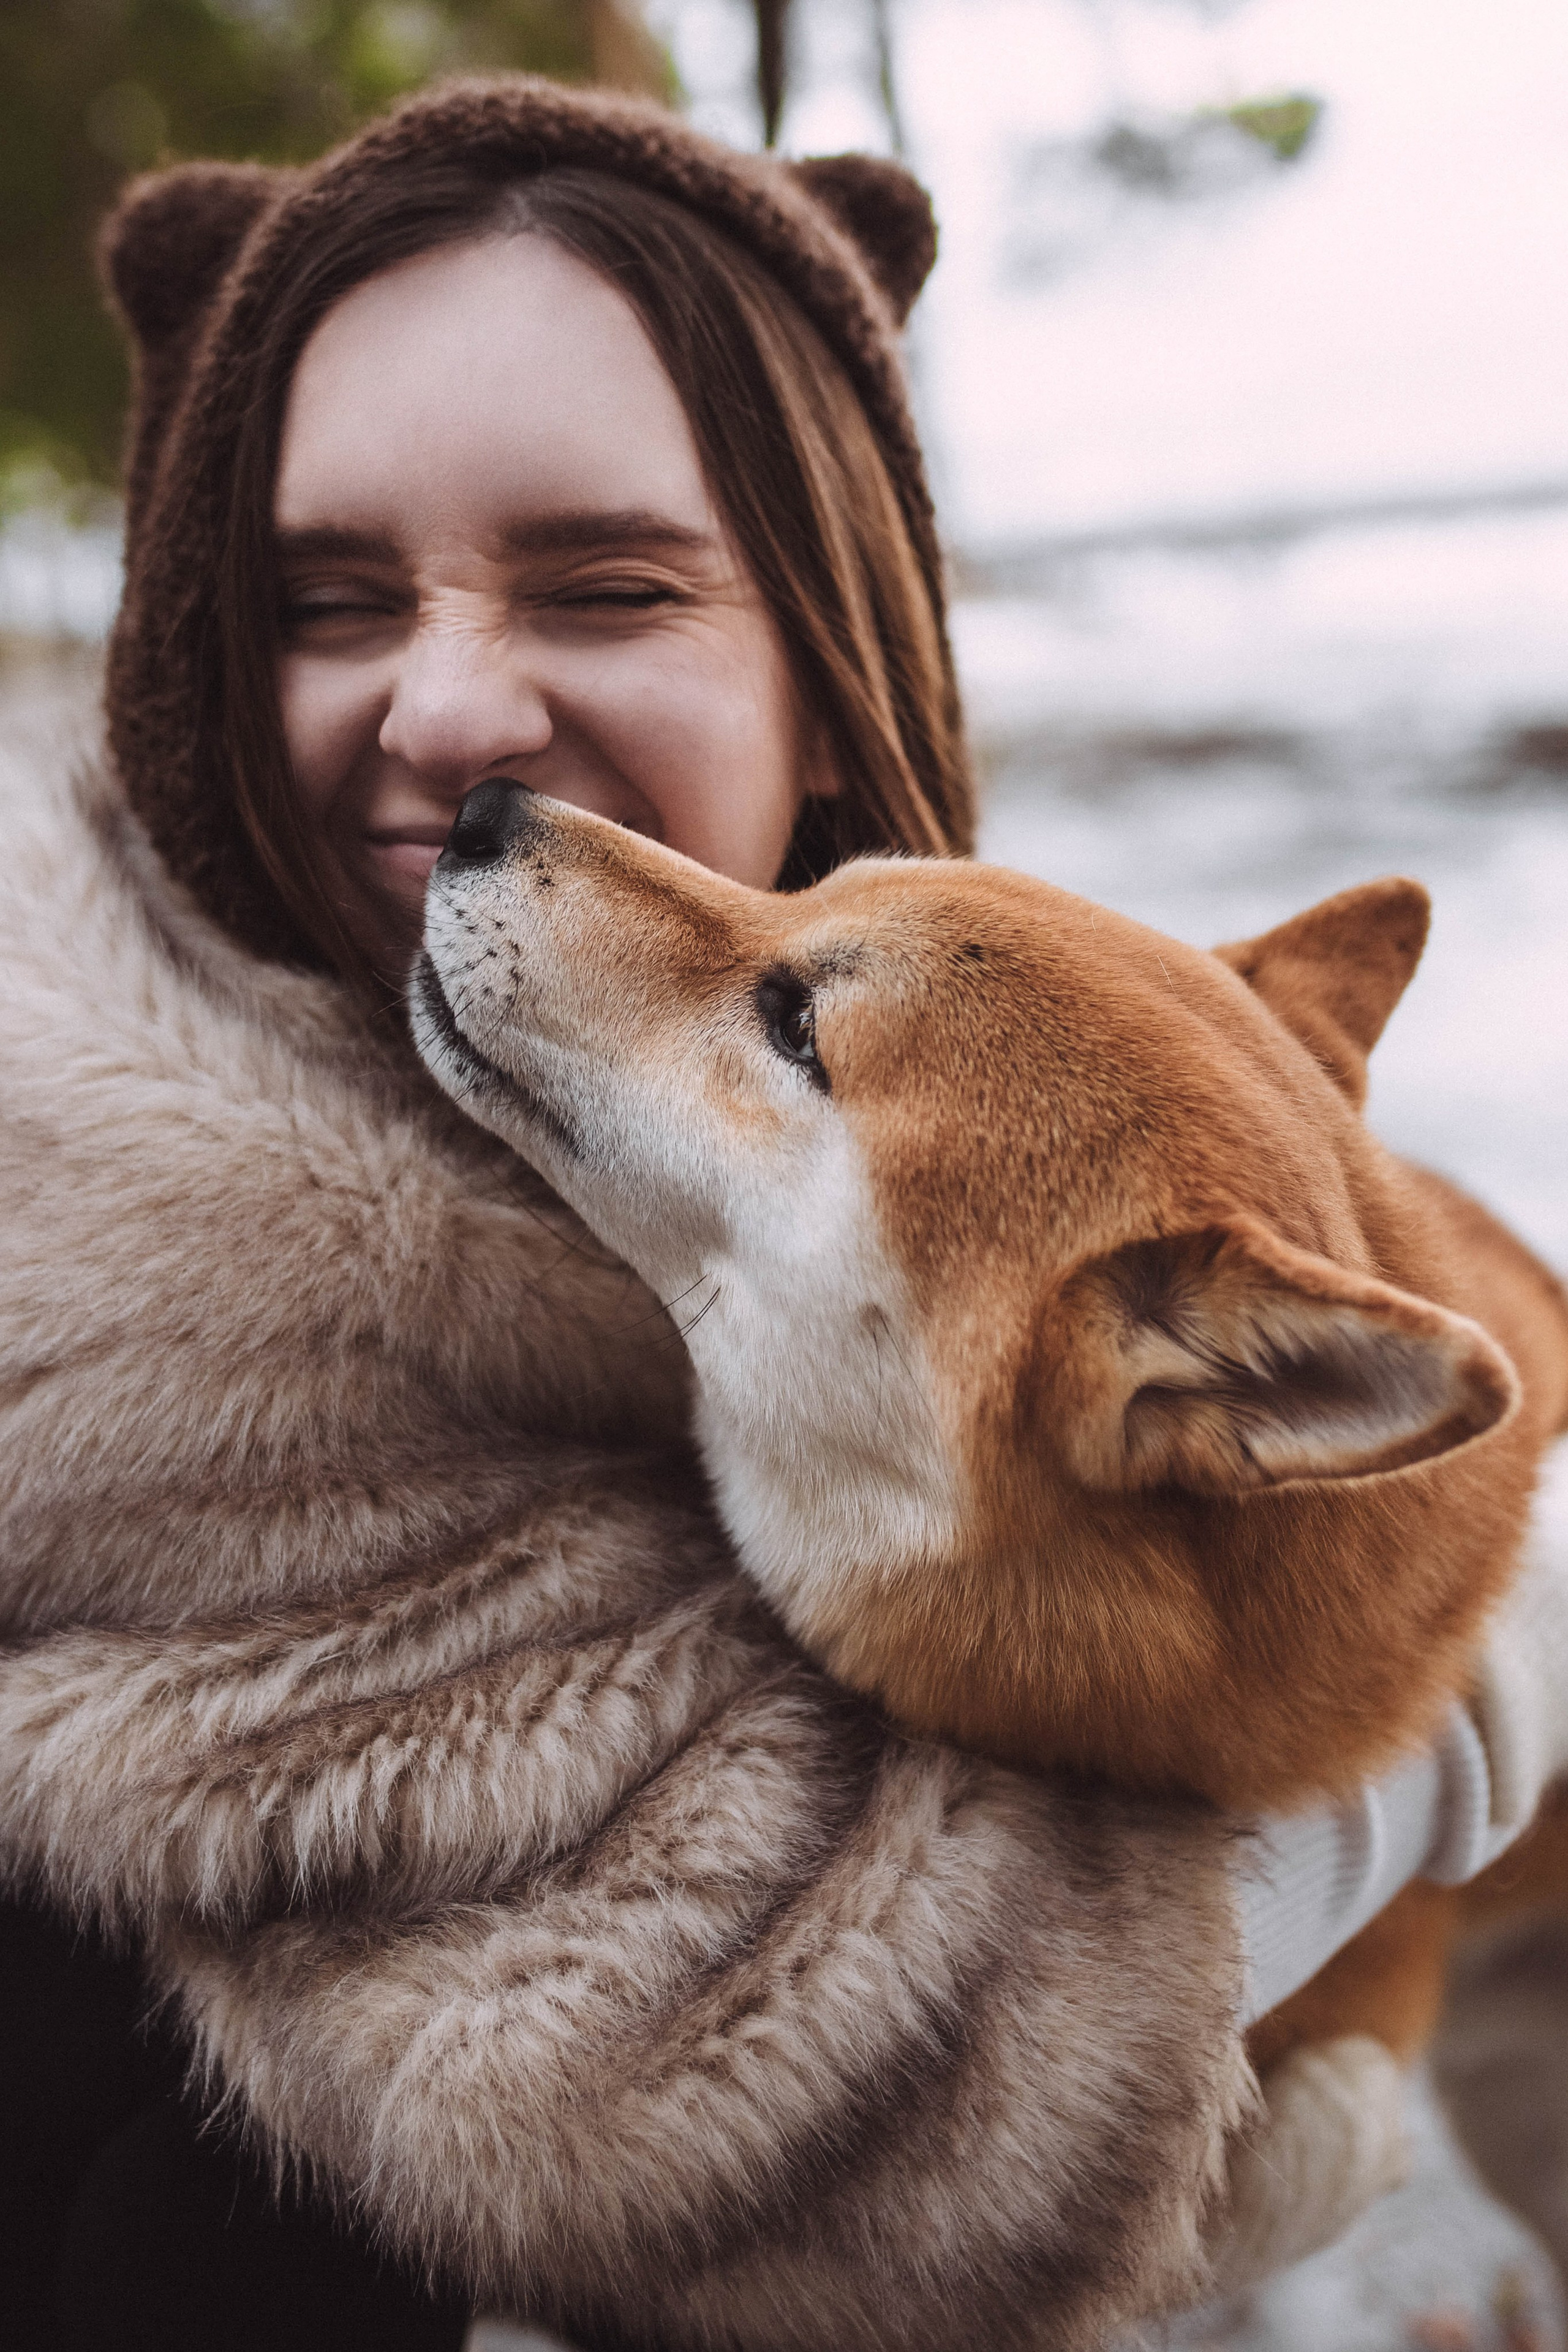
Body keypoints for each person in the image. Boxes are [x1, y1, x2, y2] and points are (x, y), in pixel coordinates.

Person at [0, 72, 1564, 2352]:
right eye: (327, 597)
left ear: (834, 669)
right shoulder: (154, 1343)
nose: (451, 713)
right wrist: (1463, 1702)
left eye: (608, 581)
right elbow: (817, 2103)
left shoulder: (977, 1116)